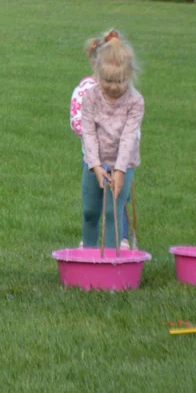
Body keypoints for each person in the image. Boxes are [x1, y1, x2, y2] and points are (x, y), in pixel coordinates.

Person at [79, 30, 144, 250]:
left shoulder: (135, 102)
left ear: (130, 74)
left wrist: (120, 170)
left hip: (123, 164)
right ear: (97, 72)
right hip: (93, 162)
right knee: (90, 211)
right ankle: (87, 255)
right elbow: (87, 133)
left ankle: (110, 262)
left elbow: (129, 137)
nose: (113, 87)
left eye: (120, 81)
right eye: (107, 80)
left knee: (112, 213)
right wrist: (95, 165)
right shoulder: (90, 98)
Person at [70, 29, 130, 248]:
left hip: (121, 158)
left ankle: (120, 241)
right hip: (92, 157)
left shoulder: (127, 95)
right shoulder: (85, 90)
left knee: (116, 203)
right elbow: (79, 123)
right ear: (96, 64)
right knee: (92, 206)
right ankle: (90, 247)